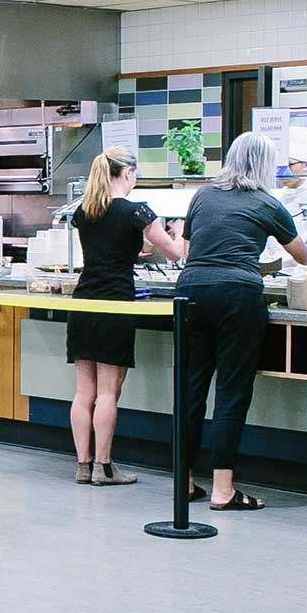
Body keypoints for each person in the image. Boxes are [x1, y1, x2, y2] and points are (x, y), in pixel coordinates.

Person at [175, 132, 307, 513]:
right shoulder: (267, 203)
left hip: (190, 292)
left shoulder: (203, 195)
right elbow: (303, 257)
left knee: (189, 390)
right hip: (237, 294)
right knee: (231, 392)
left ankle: (183, 483)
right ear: (266, 165)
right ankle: (223, 489)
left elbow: (188, 250)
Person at [65, 146, 187, 486]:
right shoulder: (138, 212)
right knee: (108, 392)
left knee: (83, 391)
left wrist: (137, 248)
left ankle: (83, 465)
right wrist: (177, 230)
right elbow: (175, 253)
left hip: (84, 301)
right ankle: (104, 468)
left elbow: (105, 249)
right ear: (129, 174)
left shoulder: (84, 211)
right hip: (116, 303)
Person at [263, 126, 307, 269]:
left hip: (302, 272)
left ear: (306, 165)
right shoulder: (277, 196)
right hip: (274, 272)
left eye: (288, 165)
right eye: (278, 166)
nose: (282, 172)